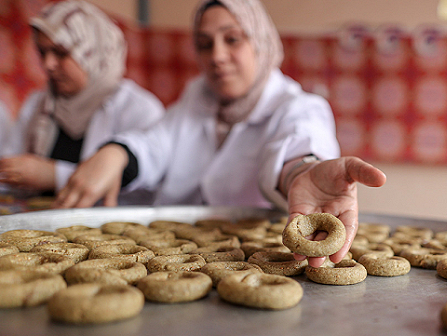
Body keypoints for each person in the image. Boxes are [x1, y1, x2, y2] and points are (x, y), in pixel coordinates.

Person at [54, 0, 387, 267]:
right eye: (204, 44)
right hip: (174, 255)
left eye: (232, 39)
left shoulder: (297, 106)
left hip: (248, 260)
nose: (216, 56)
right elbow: (156, 143)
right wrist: (118, 153)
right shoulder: (195, 99)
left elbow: (298, 145)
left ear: (260, 41)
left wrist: (304, 170)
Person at [0, 0, 165, 205]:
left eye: (61, 52)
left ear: (93, 52)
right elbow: (9, 170)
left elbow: (145, 188)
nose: (48, 64)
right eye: (43, 52)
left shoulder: (137, 108)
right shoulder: (37, 105)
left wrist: (53, 176)